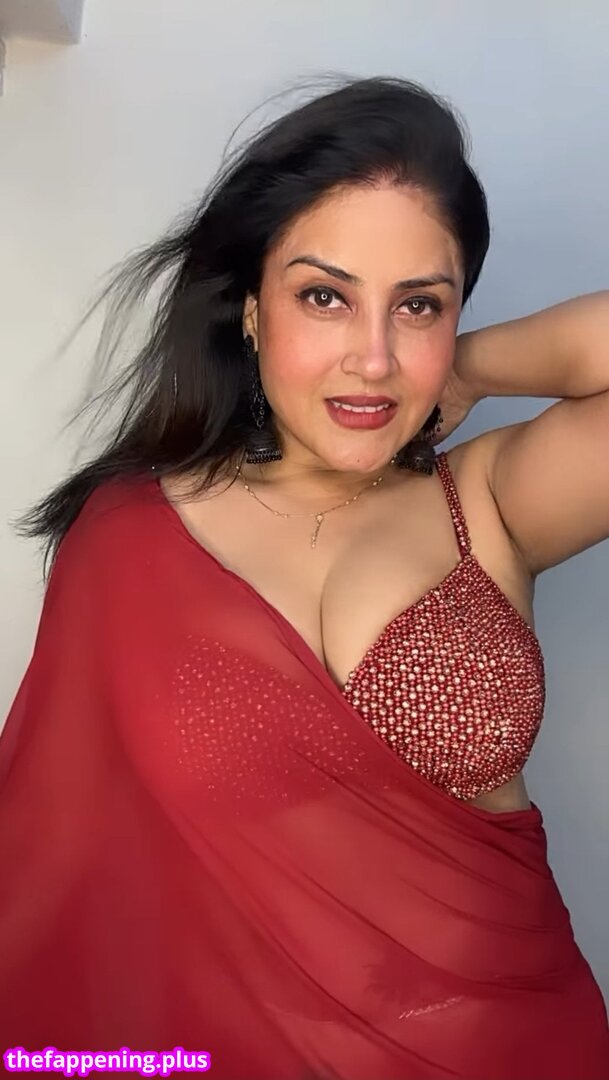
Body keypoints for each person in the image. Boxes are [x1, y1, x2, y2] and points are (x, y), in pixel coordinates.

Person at [0, 75, 608, 1080]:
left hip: (522, 1052)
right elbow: (58, 859)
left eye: (418, 305)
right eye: (325, 297)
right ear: (250, 310)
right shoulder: (128, 538)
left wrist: (470, 366)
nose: (372, 358)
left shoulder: (490, 502)